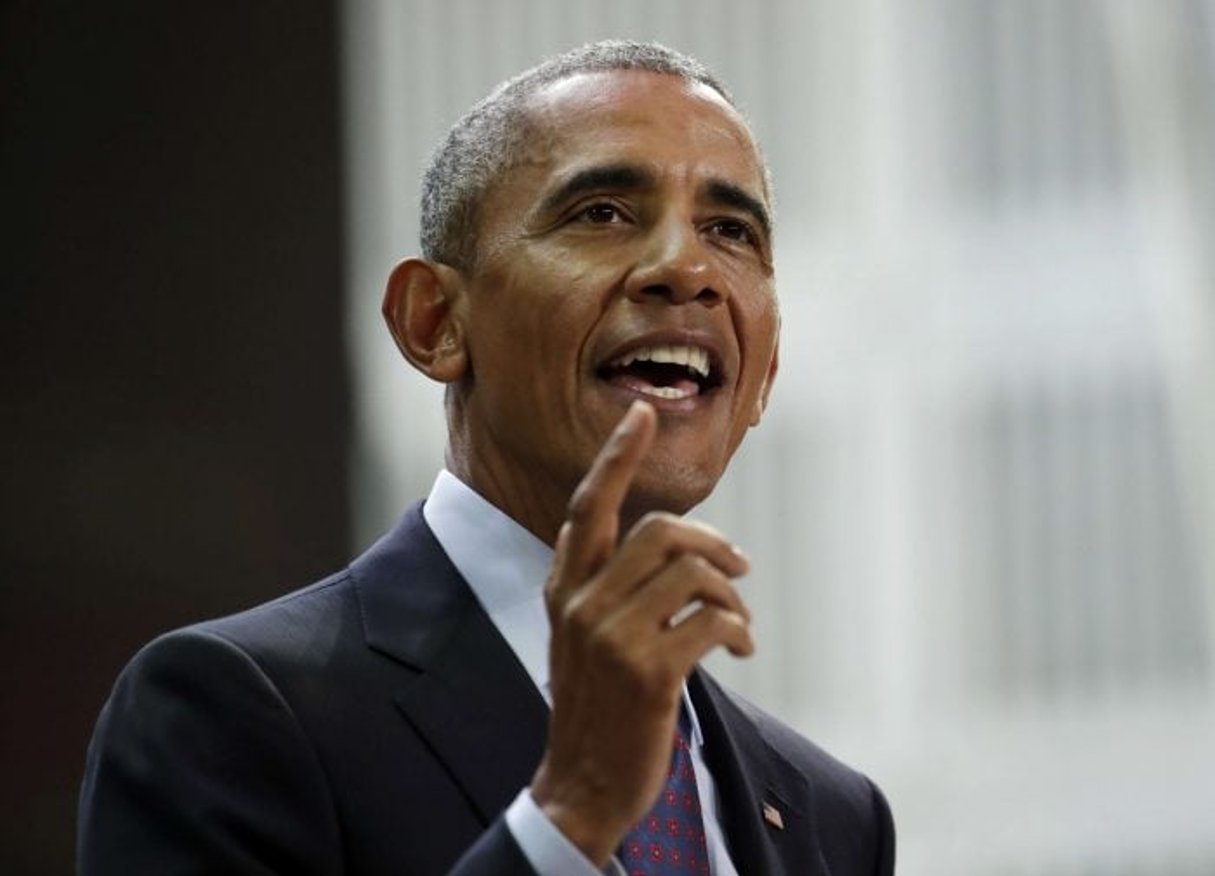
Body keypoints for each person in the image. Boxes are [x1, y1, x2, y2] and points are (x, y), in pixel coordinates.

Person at [78, 40, 895, 875]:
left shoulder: (832, 814)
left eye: (729, 230)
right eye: (603, 213)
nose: (685, 270)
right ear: (434, 323)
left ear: (764, 374)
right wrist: (571, 816)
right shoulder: (231, 711)